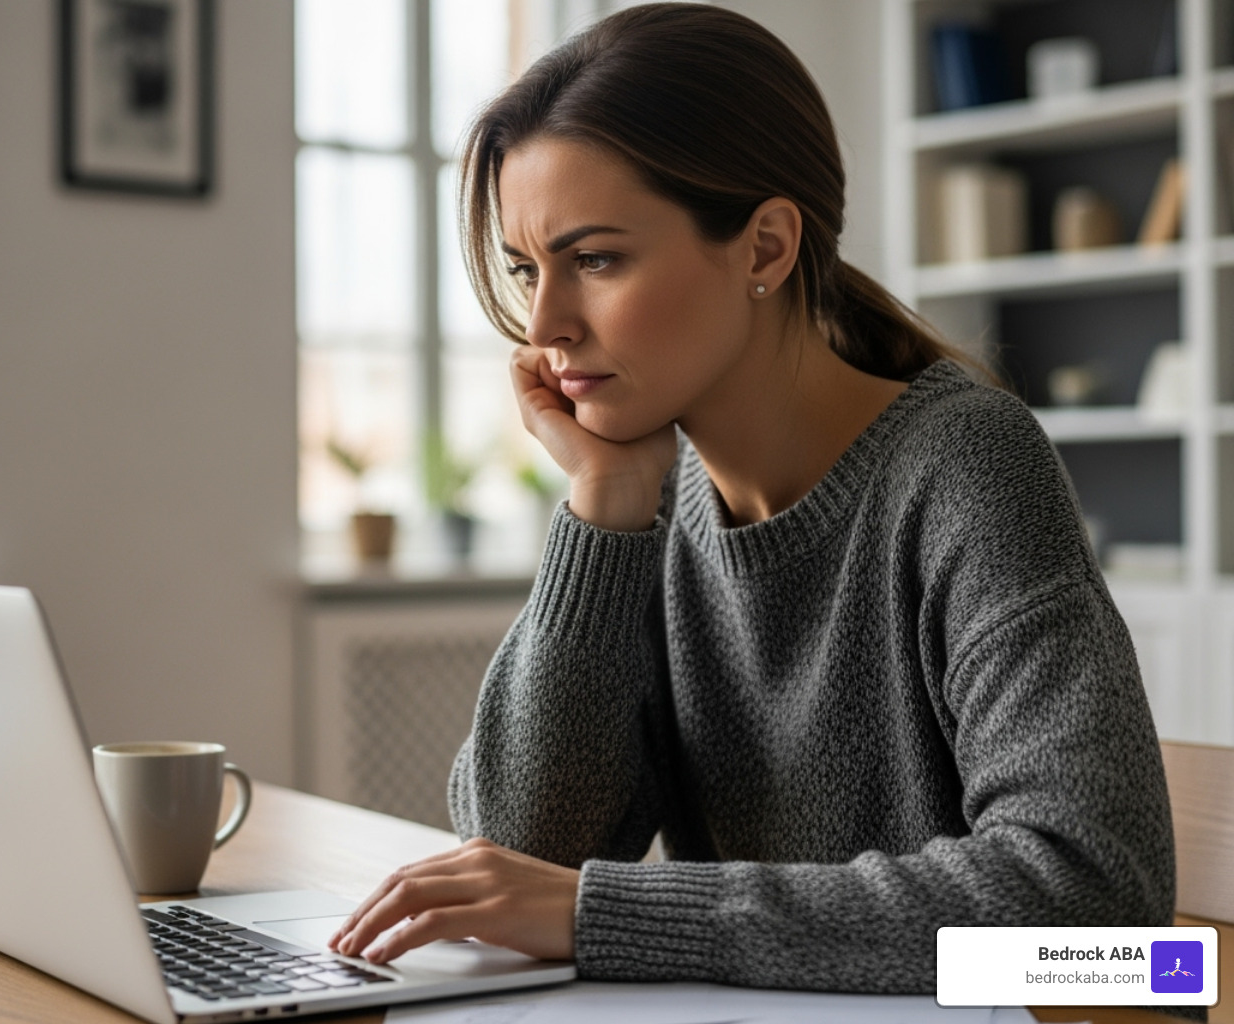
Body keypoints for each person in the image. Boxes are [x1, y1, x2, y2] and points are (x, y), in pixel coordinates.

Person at [327, 2, 1176, 995]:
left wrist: (612, 916)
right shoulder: (651, 503)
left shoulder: (967, 468)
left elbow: (1104, 919)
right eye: (527, 268)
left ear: (767, 248)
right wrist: (605, 503)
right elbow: (517, 849)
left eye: (596, 259)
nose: (546, 323)